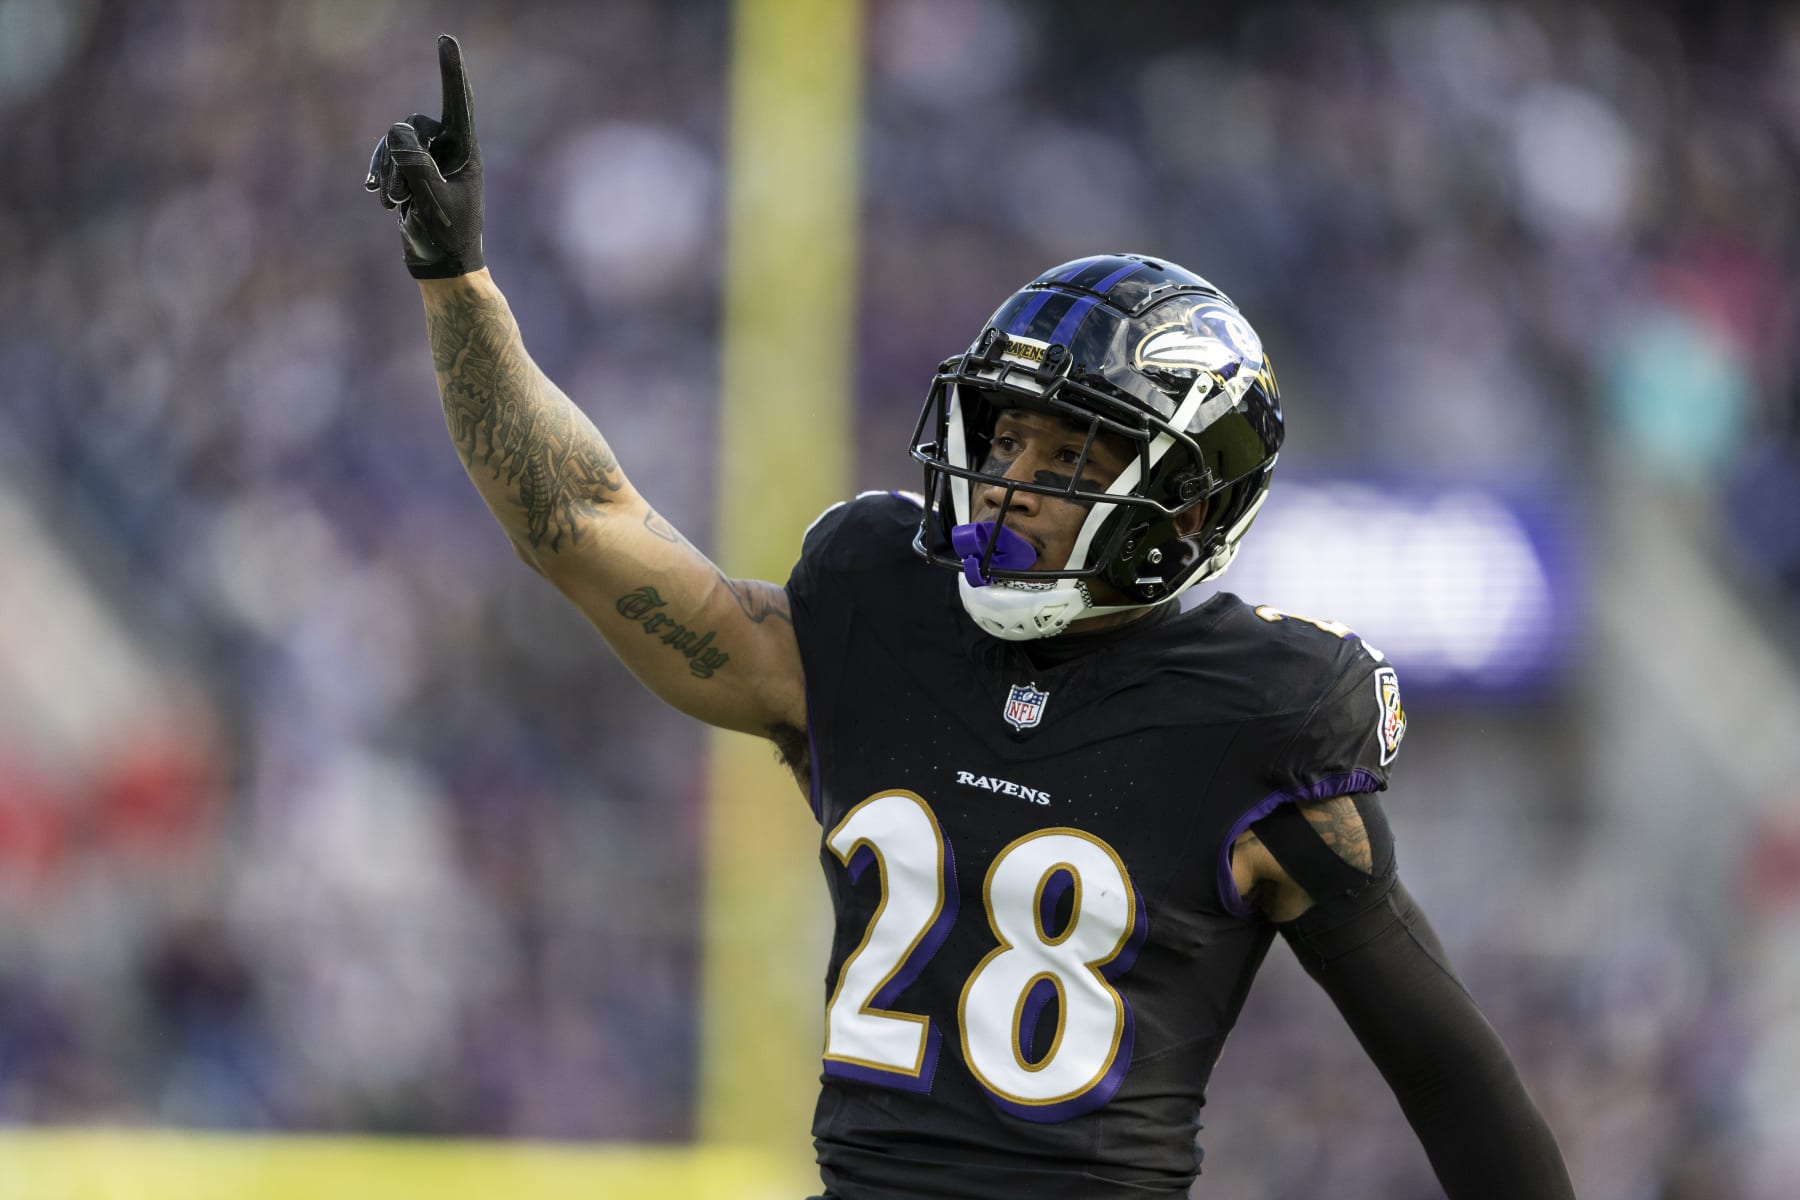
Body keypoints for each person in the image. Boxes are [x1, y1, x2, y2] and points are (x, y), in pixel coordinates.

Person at [365, 35, 1576, 1200]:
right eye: (1002, 435)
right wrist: (456, 280)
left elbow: (1448, 1074)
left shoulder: (1260, 718)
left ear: (1183, 502)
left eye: (1067, 451)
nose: (1007, 476)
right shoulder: (873, 618)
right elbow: (577, 522)